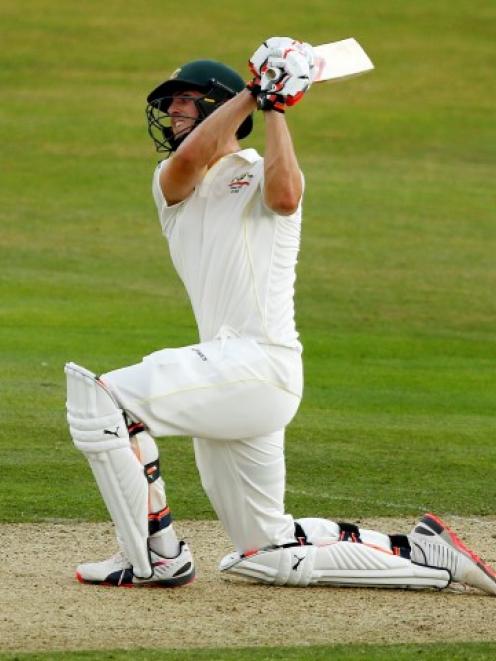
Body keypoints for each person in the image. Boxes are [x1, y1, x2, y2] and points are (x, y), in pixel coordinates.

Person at [65, 38, 496, 595]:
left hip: (257, 361)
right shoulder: (172, 180)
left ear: (216, 108)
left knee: (101, 398)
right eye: (169, 103)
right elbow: (193, 160)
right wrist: (254, 90)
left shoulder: (261, 168)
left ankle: (152, 556)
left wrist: (275, 107)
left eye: (185, 100)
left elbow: (287, 198)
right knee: (264, 553)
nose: (171, 111)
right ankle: (426, 554)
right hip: (233, 376)